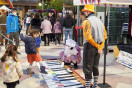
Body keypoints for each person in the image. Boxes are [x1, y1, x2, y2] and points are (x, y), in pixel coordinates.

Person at [82, 5, 107, 88]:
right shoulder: (100, 21)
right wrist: (100, 47)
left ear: (88, 12)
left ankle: (88, 86)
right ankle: (95, 85)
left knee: (87, 66)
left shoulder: (86, 21)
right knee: (95, 66)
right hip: (98, 46)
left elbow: (88, 37)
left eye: (85, 11)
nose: (84, 13)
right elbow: (104, 36)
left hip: (90, 46)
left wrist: (96, 46)